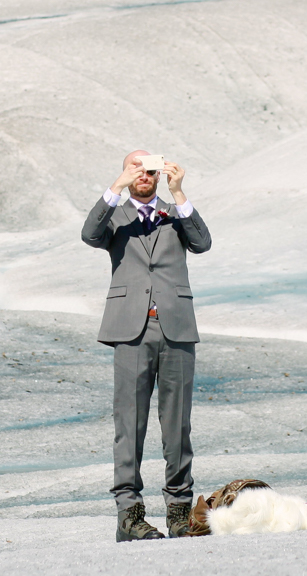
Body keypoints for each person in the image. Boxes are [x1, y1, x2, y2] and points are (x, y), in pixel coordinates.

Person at [82, 150, 212, 541]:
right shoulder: (116, 216)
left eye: (149, 169)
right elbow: (89, 234)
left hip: (176, 329)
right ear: (125, 171)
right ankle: (129, 514)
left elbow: (203, 243)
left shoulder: (175, 215)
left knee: (178, 426)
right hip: (130, 330)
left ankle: (179, 511)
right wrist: (116, 187)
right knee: (130, 424)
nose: (143, 174)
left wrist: (179, 192)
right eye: (135, 167)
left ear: (159, 174)